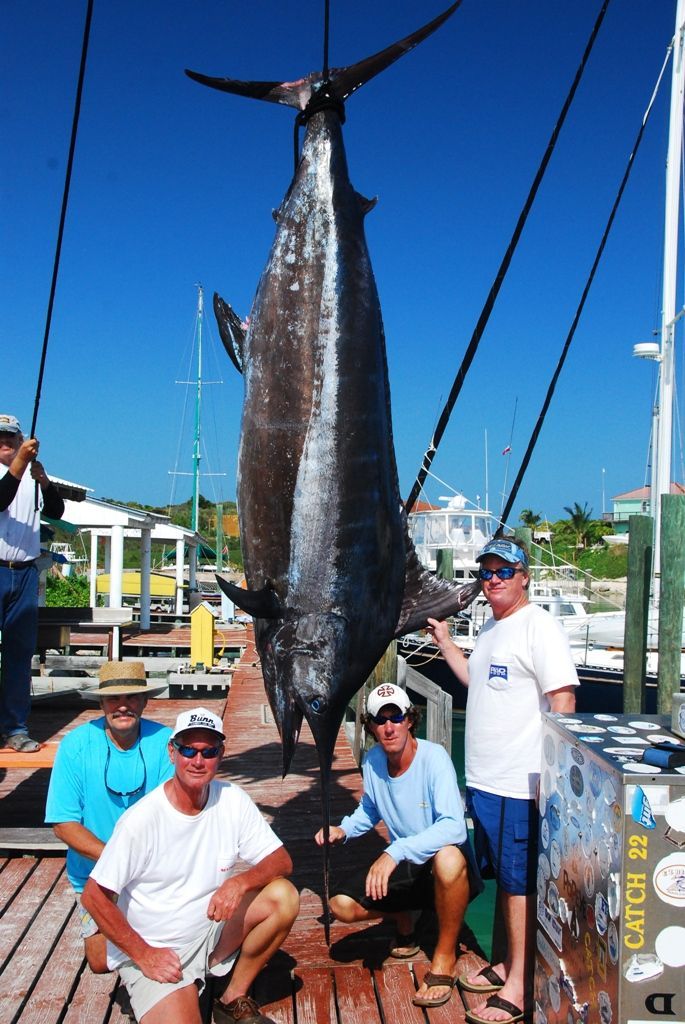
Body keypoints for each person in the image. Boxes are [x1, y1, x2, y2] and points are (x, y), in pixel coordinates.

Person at [427, 537, 578, 1024]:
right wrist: (446, 642)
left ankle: (519, 985)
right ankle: (508, 961)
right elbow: (474, 679)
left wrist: (552, 777)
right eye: (486, 572)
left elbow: (563, 700)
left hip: (521, 783)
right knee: (503, 878)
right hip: (485, 781)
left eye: (503, 572)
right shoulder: (493, 628)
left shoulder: (540, 626)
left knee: (518, 887)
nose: (492, 580)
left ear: (524, 575)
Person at [82, 706, 299, 1024]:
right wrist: (145, 955)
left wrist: (239, 882)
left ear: (221, 755)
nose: (198, 761)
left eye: (208, 751)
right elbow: (93, 897)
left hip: (209, 933)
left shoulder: (232, 799)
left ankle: (232, 998)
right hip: (159, 949)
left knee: (284, 896)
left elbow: (281, 861)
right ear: (172, 752)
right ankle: (152, 990)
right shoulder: (141, 821)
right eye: (188, 750)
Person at [314, 682, 482, 1010]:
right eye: (380, 719)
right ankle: (405, 919)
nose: (388, 726)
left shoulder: (435, 758)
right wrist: (343, 829)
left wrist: (395, 851)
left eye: (396, 717)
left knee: (448, 858)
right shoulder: (374, 761)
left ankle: (444, 959)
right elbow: (370, 809)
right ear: (372, 727)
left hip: (444, 868)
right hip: (408, 865)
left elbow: (453, 827)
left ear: (409, 720)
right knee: (340, 905)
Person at [45, 661, 174, 973]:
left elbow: (173, 815)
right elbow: (63, 825)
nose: (123, 706)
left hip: (153, 872)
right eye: (114, 699)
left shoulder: (167, 742)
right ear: (101, 703)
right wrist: (115, 861)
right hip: (95, 877)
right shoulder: (75, 744)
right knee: (101, 962)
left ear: (144, 701)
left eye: (131, 697)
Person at [0, 413, 64, 752]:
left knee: (19, 654)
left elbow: (57, 510)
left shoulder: (30, 477)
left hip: (25, 572)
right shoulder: (10, 475)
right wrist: (20, 463)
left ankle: (15, 727)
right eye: (0, 438)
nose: (6, 443)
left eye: (11, 437)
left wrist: (45, 481)